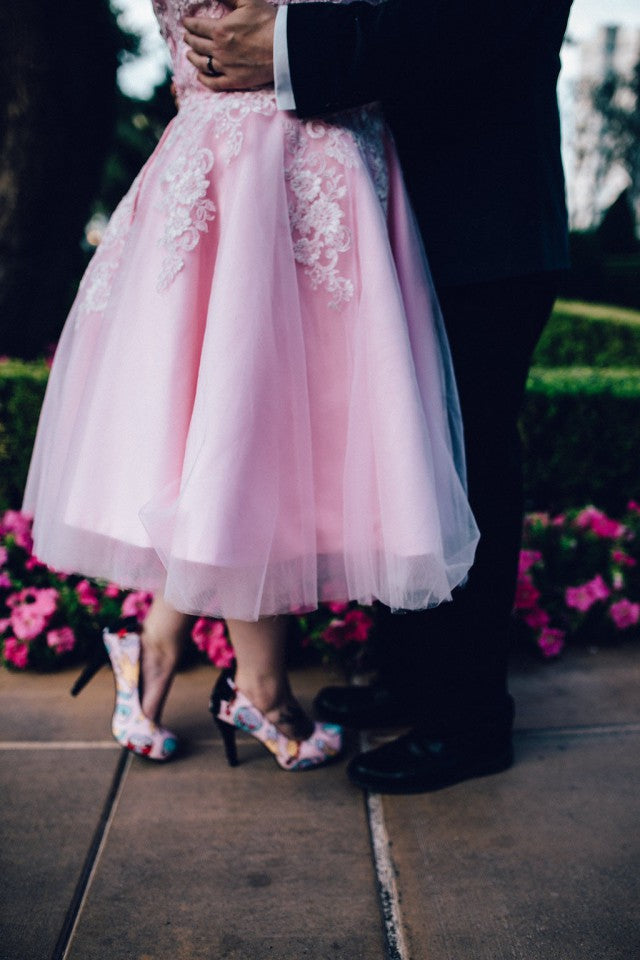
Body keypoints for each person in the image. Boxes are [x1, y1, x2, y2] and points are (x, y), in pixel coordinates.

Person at [21, 0, 479, 770]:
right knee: (250, 435)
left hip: (258, 165)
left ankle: (156, 649)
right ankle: (259, 693)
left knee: (225, 434)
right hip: (272, 173)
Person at [182, 0, 573, 792]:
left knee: (461, 454)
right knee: (397, 446)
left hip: (478, 210)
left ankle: (468, 721)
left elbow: (488, 21)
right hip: (381, 194)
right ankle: (416, 679)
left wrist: (290, 42)